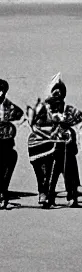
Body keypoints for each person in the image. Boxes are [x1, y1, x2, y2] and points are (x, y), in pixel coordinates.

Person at [27, 74, 82, 208]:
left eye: (60, 90)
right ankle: (47, 194)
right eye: (55, 90)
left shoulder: (67, 108)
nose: (58, 93)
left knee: (69, 161)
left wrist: (66, 124)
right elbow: (35, 126)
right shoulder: (43, 108)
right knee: (52, 161)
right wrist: (49, 135)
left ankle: (72, 195)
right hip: (43, 142)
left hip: (62, 143)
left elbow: (79, 116)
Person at [0, 79, 24, 209]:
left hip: (6, 141)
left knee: (6, 168)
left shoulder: (9, 106)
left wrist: (9, 123)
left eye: (2, 90)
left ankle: (3, 194)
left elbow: (20, 114)